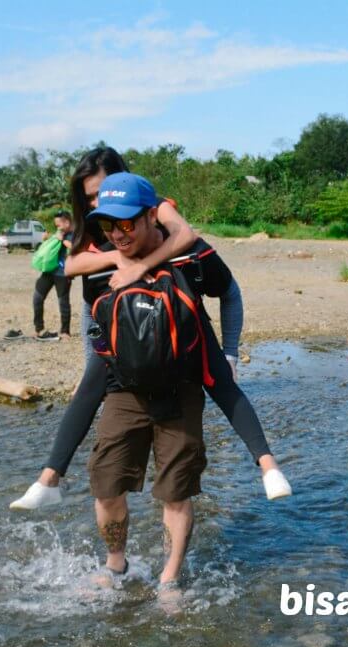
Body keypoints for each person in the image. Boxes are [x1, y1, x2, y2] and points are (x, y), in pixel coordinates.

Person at [10, 156, 291, 510]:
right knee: (89, 386)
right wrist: (96, 351)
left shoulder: (173, 231)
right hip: (124, 340)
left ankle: (268, 465)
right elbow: (89, 305)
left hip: (182, 325)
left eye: (106, 195)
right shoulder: (102, 250)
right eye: (93, 200)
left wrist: (231, 351)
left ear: (147, 212)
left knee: (220, 378)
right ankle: (50, 478)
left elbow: (214, 272)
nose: (103, 207)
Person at [83, 172, 234, 589]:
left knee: (175, 490)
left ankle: (169, 579)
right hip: (124, 392)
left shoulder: (190, 257)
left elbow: (230, 292)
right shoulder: (100, 269)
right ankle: (116, 564)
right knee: (107, 484)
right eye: (108, 225)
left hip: (182, 391)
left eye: (127, 223)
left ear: (153, 216)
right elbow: (94, 327)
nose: (117, 233)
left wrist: (232, 352)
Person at [32, 210, 74, 341]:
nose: (58, 227)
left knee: (63, 302)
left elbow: (76, 248)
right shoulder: (59, 233)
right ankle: (39, 328)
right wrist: (47, 239)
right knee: (37, 298)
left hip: (63, 273)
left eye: (59, 225)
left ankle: (65, 331)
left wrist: (63, 241)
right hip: (49, 271)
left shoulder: (74, 234)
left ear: (67, 222)